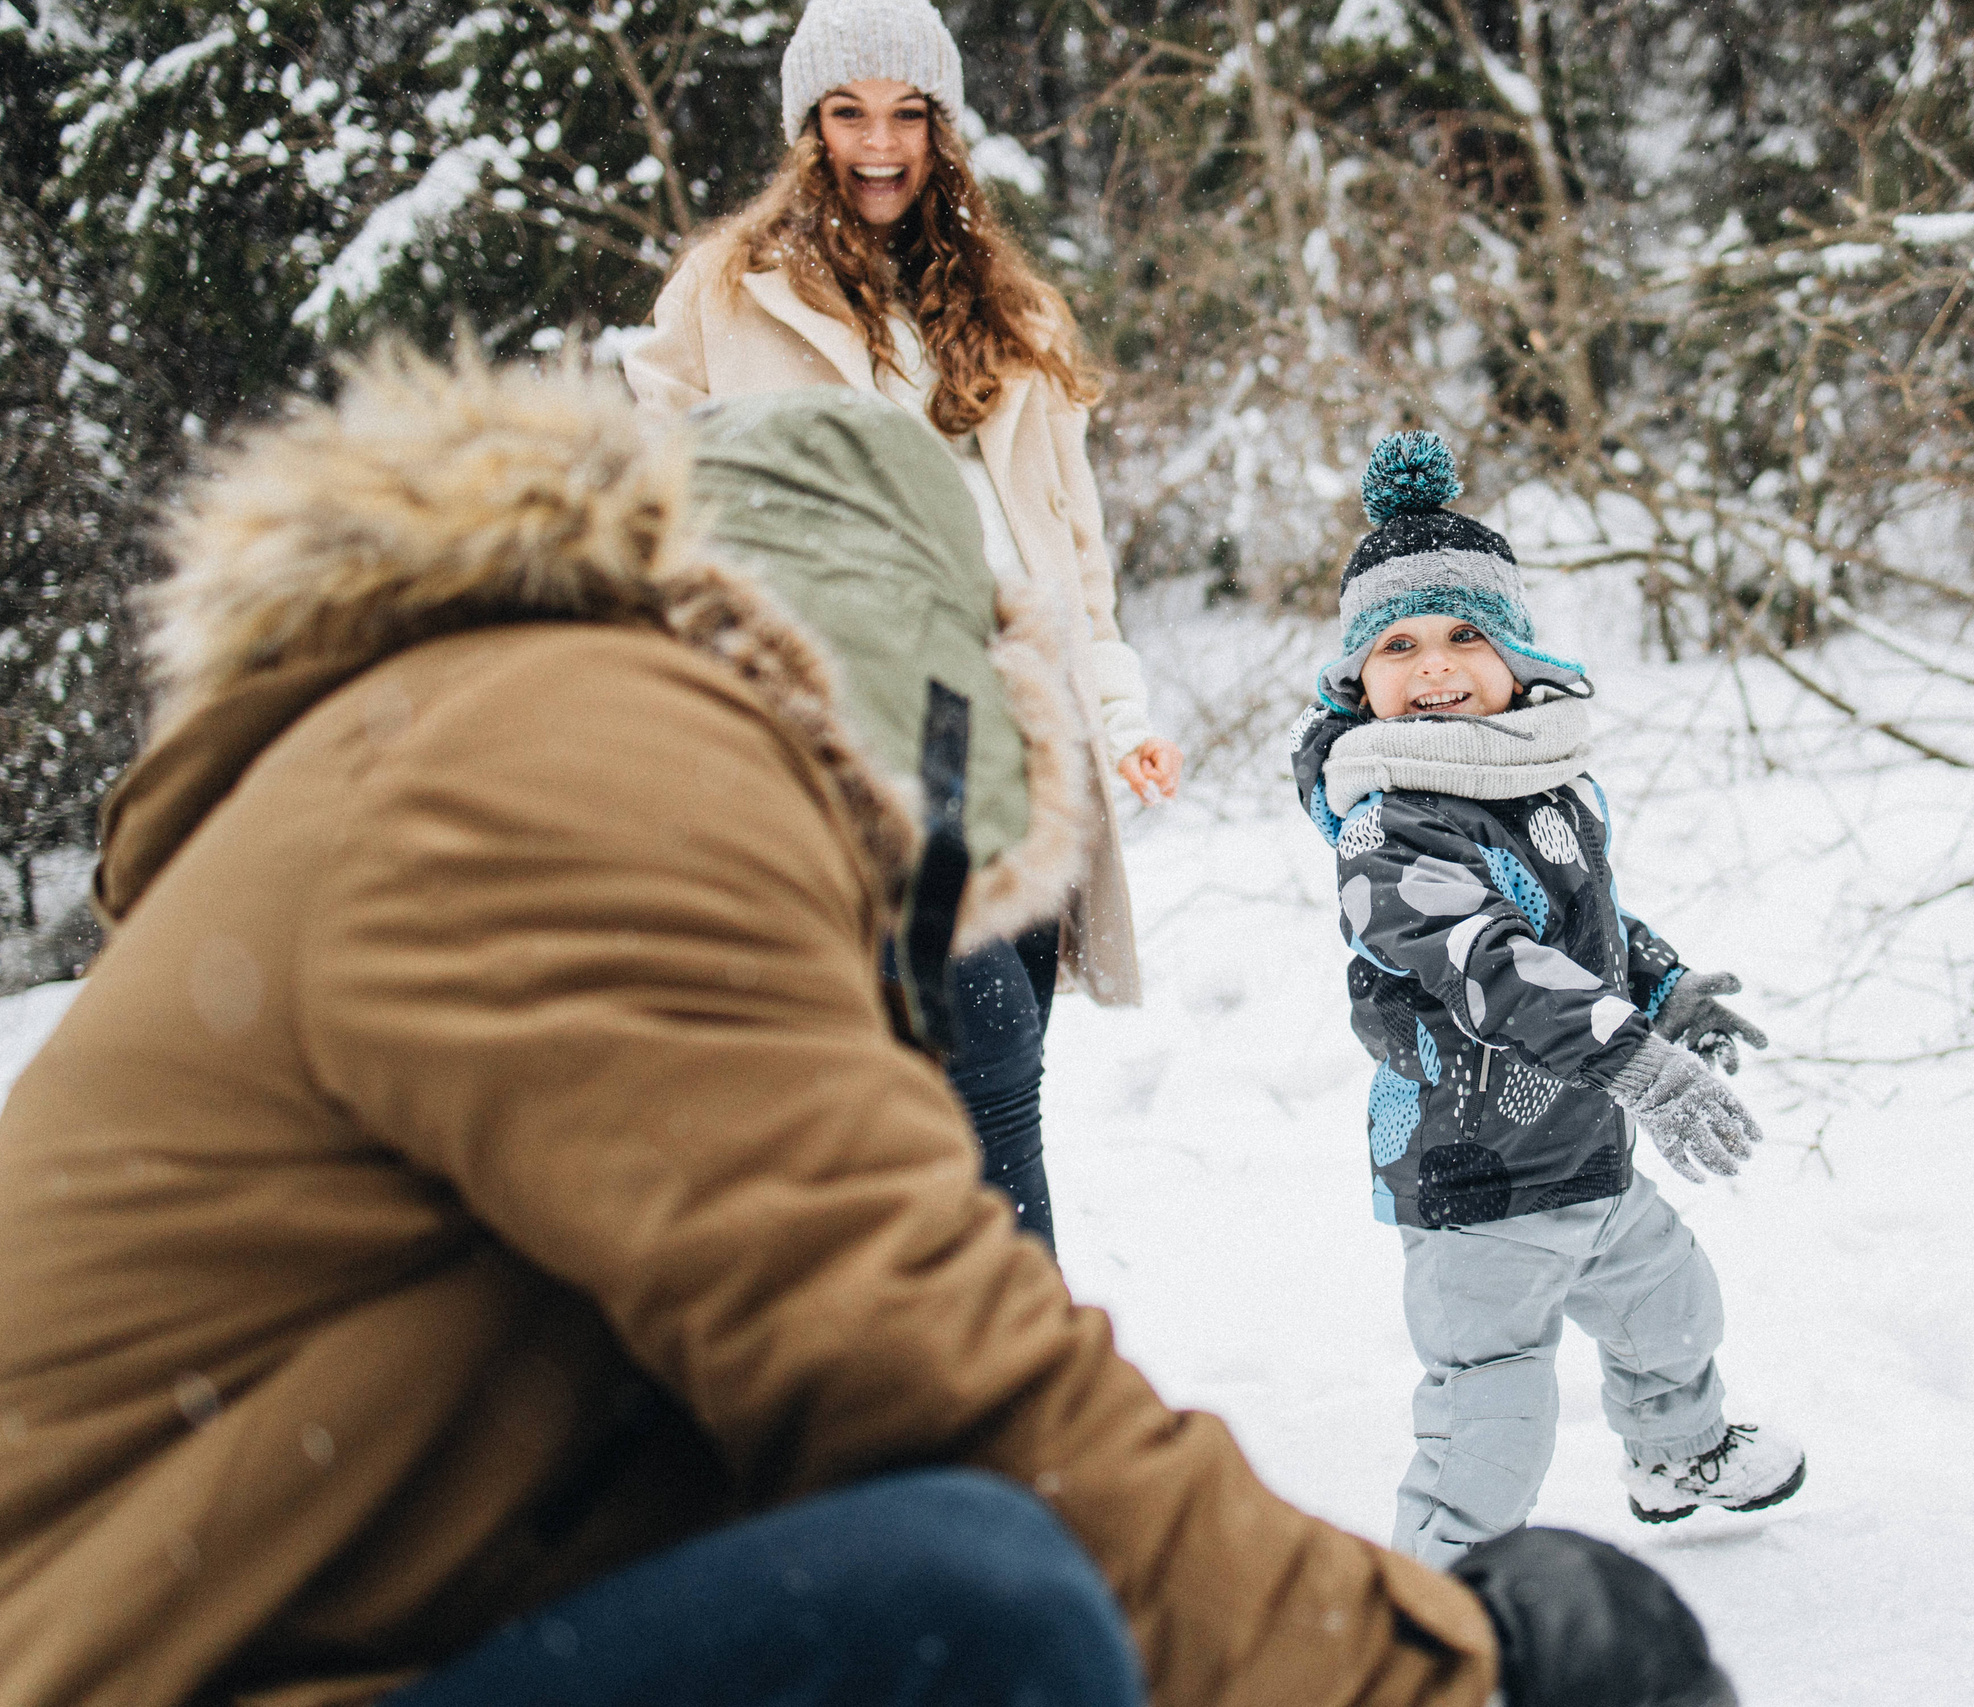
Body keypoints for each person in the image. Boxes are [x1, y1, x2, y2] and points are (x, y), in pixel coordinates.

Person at [0, 352, 1735, 1707]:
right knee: (973, 1601)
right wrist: (1439, 1668)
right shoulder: (567, 754)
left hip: (225, 1645)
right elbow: (905, 1347)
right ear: (901, 685)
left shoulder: (462, 735)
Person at [622, 0, 1175, 1246]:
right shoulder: (724, 295)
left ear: (944, 126)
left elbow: (1070, 550)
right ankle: (1011, 1375)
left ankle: (951, 1345)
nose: (881, 145)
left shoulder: (1012, 311)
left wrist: (1120, 708)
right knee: (977, 1057)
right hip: (848, 716)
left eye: (908, 114)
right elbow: (655, 500)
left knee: (997, 1063)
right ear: (806, 128)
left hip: (1015, 720)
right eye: (848, 114)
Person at [1290, 433, 1810, 1568]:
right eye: (1399, 644)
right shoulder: (1386, 823)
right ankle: (1435, 1595)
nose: (1434, 667)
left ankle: (1680, 1449)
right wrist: (1632, 1060)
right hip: (1473, 1174)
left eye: (1464, 636)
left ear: (1516, 653)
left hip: (1581, 1150)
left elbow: (1583, 930)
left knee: (1671, 1308)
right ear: (1357, 681)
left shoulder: (1537, 783)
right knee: (1493, 1408)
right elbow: (1490, 962)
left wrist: (1664, 997)